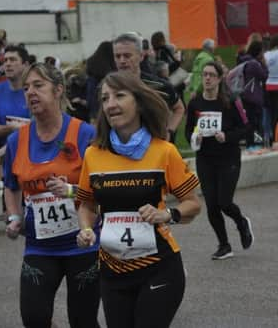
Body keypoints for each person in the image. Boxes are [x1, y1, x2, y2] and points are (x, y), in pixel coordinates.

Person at [76, 71, 201, 328]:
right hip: (113, 271)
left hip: (159, 268)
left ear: (139, 102)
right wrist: (86, 229)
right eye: (105, 98)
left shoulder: (164, 152)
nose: (111, 104)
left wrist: (168, 215)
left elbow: (193, 203)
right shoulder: (92, 154)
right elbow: (87, 204)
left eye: (120, 96)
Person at [3, 62, 100, 328]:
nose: (30, 92)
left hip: (83, 244)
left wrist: (71, 191)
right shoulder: (16, 140)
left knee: (83, 320)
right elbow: (11, 185)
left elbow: (102, 189)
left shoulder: (85, 134)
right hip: (40, 246)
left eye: (38, 85)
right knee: (34, 318)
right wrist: (14, 216)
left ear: (58, 90)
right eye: (26, 88)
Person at [185, 61, 254, 260]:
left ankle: (241, 223)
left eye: (211, 75)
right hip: (205, 159)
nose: (207, 78)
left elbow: (246, 128)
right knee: (212, 205)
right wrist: (194, 137)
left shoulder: (230, 101)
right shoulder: (195, 103)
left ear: (219, 78)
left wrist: (227, 136)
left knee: (224, 202)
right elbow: (189, 129)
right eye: (204, 75)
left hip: (228, 158)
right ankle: (224, 245)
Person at [113, 32, 185, 143]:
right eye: (118, 56)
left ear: (141, 56)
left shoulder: (160, 86)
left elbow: (179, 109)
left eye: (127, 55)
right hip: (123, 153)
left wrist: (169, 131)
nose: (122, 60)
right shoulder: (108, 89)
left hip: (155, 151)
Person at [0, 45, 31, 190]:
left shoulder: (33, 90)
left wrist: (9, 146)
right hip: (6, 166)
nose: (7, 64)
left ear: (25, 64)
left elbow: (40, 128)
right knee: (11, 211)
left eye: (13, 60)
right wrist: (12, 127)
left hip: (32, 161)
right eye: (5, 60)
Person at [237, 39, 269, 150]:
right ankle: (257, 144)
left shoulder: (243, 60)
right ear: (259, 52)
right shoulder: (254, 64)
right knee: (257, 123)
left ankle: (249, 143)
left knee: (248, 121)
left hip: (245, 95)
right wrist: (264, 63)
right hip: (254, 97)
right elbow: (264, 75)